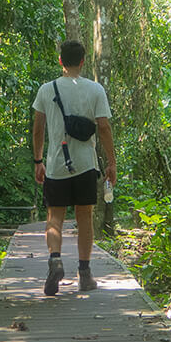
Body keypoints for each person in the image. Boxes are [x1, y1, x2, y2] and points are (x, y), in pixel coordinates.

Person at [31, 40, 116, 296]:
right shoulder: (95, 89)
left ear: (60, 61)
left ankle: (55, 260)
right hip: (86, 165)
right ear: (82, 61)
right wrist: (111, 162)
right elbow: (103, 127)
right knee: (84, 217)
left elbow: (38, 128)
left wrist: (38, 161)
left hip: (57, 165)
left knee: (54, 216)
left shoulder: (47, 89)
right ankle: (85, 274)